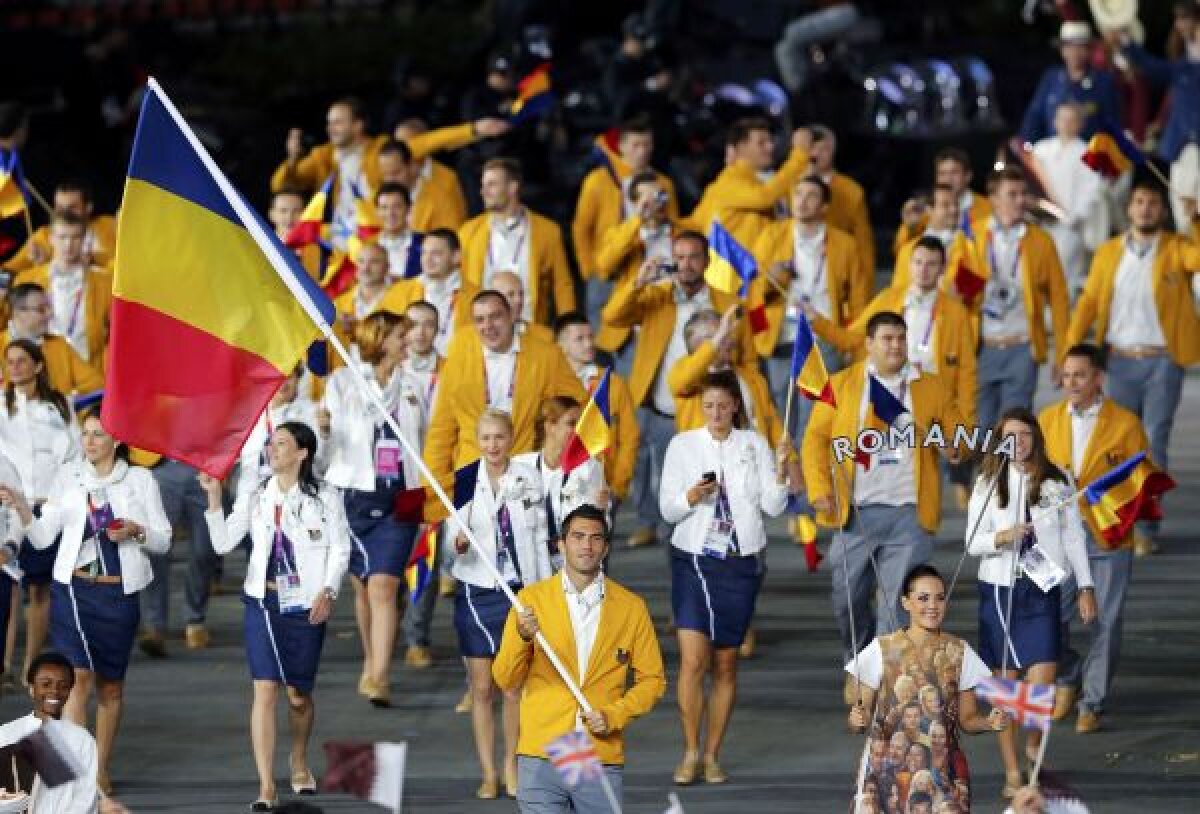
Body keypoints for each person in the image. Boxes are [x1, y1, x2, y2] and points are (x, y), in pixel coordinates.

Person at [2, 411, 169, 796]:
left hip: (118, 595)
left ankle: (101, 766)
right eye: (86, 434)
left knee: (111, 689)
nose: (89, 441)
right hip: (73, 591)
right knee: (76, 682)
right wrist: (22, 506)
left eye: (98, 434)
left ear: (116, 440)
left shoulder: (140, 480)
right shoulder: (70, 477)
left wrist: (136, 530)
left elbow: (161, 539)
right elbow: (43, 538)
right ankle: (80, 773)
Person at [200, 421, 351, 811]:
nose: (273, 449)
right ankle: (266, 785)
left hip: (305, 605)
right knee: (264, 690)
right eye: (271, 443)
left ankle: (298, 758)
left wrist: (329, 590)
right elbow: (223, 542)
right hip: (262, 603)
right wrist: (215, 501)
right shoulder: (255, 493)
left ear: (302, 453)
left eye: (282, 444)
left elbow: (340, 548)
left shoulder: (326, 497)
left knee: (298, 697)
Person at [801, 312, 965, 666]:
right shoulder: (842, 384)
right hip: (855, 512)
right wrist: (818, 489)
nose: (895, 346)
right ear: (869, 344)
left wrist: (955, 445)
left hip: (909, 513)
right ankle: (857, 658)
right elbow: (815, 439)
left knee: (895, 606)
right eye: (887, 339)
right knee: (847, 600)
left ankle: (873, 679)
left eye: (901, 338)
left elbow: (957, 432)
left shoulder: (930, 385)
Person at [659, 372, 791, 784]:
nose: (716, 413)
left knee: (726, 664)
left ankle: (713, 754)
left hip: (740, 562)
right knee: (693, 659)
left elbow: (772, 507)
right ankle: (689, 750)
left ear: (736, 405)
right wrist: (691, 497)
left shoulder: (754, 445)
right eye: (709, 406)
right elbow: (667, 509)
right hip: (694, 558)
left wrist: (783, 473)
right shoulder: (682, 445)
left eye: (723, 405)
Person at [494, 504, 666, 812]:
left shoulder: (631, 608)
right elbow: (505, 678)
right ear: (561, 544)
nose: (586, 545)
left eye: (595, 538)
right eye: (578, 537)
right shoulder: (531, 602)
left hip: (594, 751)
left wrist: (615, 714)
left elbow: (652, 680)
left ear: (606, 547)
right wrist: (522, 638)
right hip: (543, 747)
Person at [965, 407, 1095, 797]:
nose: (1017, 442)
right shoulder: (989, 482)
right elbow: (972, 543)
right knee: (1006, 689)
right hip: (1000, 590)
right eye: (1010, 435)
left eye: (1024, 434)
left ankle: (1034, 750)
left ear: (1035, 437)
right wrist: (1003, 537)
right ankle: (1012, 772)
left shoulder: (1058, 480)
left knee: (1041, 686)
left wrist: (1086, 587)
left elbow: (1074, 538)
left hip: (1042, 590)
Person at [1066, 179, 1198, 554]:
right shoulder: (1108, 253)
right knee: (1117, 447)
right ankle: (1118, 520)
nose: (1145, 208)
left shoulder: (1176, 247)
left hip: (1162, 361)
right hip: (1120, 360)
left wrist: (1196, 222)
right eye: (1138, 202)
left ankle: (1147, 530)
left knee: (1154, 443)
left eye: (1153, 203)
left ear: (1163, 210)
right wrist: (1071, 350)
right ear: (1128, 209)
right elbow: (1090, 301)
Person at [599, 231, 753, 548]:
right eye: (679, 257)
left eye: (693, 257)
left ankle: (689, 539)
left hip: (707, 411)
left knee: (697, 479)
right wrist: (638, 282)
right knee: (651, 469)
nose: (685, 265)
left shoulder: (728, 302)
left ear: (708, 261)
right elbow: (612, 316)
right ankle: (646, 522)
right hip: (660, 402)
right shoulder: (657, 295)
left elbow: (747, 357)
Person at [1038, 343, 1155, 734]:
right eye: (1067, 375)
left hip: (1107, 537)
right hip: (1059, 537)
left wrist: (1111, 504)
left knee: (1106, 620)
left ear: (1098, 379)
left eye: (1080, 375)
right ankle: (1068, 677)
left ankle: (1092, 702)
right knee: (1049, 616)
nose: (1071, 382)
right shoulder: (1047, 420)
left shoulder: (1125, 424)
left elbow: (1141, 480)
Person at [813, 237, 978, 508]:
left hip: (930, 396)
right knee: (882, 455)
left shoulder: (956, 312)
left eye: (931, 264)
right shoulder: (888, 299)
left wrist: (966, 424)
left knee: (924, 464)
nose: (924, 269)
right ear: (909, 265)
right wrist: (817, 322)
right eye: (918, 262)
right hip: (887, 388)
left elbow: (968, 370)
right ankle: (879, 509)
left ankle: (919, 520)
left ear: (941, 269)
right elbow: (852, 338)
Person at [319, 311, 424, 707]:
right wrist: (325, 431)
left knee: (385, 585)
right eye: (400, 335)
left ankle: (380, 676)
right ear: (380, 339)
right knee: (363, 587)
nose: (407, 341)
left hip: (400, 496)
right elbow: (331, 449)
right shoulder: (344, 381)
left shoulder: (414, 383)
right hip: (355, 496)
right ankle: (371, 657)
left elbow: (427, 433)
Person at [450, 409, 552, 800]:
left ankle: (512, 761)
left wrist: (543, 594)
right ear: (478, 441)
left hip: (519, 592)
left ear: (512, 439)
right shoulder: (463, 480)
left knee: (513, 686)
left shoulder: (529, 478)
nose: (493, 446)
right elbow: (449, 539)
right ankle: (488, 772)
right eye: (486, 438)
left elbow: (541, 539)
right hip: (477, 590)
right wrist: (456, 544)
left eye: (499, 438)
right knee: (481, 688)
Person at [847, 565, 1008, 812]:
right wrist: (857, 720)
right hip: (885, 772)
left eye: (939, 598)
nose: (932, 606)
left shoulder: (960, 652)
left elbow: (967, 719)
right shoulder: (881, 649)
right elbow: (861, 716)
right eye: (923, 598)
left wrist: (989, 723)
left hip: (943, 775)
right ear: (906, 603)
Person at [422, 290, 584, 523]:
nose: (488, 326)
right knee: (473, 555)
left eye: (495, 316)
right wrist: (432, 491)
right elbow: (442, 429)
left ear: (511, 317)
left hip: (526, 475)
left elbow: (578, 411)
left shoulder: (546, 355)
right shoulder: (458, 355)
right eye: (480, 319)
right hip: (472, 477)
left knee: (525, 552)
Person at [0, 340, 78, 681]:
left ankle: (30, 663)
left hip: (47, 508)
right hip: (7, 509)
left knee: (40, 590)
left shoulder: (59, 406)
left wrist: (60, 497)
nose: (14, 367)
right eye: (9, 361)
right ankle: (3, 664)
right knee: (9, 587)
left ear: (38, 366)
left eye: (21, 361)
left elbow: (73, 454)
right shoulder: (0, 406)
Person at [971, 166, 1070, 435]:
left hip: (1022, 349)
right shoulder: (972, 236)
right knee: (979, 429)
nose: (1020, 200)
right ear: (993, 198)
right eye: (1011, 194)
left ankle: (1010, 479)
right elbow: (958, 294)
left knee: (1015, 430)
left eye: (1023, 194)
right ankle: (985, 478)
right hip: (981, 347)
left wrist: (1062, 353)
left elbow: (1059, 300)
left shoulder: (1041, 240)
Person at [572, 116, 679, 330]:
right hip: (608, 272)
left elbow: (674, 226)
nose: (642, 150)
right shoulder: (598, 180)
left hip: (649, 270)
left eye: (647, 144)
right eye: (636, 145)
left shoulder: (663, 183)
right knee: (604, 339)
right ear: (621, 146)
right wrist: (590, 270)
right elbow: (582, 227)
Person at [755, 175, 864, 376]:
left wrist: (853, 345)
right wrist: (771, 280)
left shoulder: (845, 244)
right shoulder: (771, 235)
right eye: (798, 194)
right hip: (781, 340)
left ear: (824, 207)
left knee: (818, 408)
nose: (802, 201)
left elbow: (858, 301)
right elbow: (752, 291)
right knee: (781, 408)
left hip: (824, 340)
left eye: (811, 196)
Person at [459, 158, 575, 326]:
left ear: (513, 187)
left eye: (491, 185)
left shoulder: (547, 231)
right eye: (483, 185)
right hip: (483, 332)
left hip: (529, 330)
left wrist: (569, 327)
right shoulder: (467, 232)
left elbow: (562, 286)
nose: (483, 192)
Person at [591, 170, 679, 365]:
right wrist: (639, 220)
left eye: (660, 194)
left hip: (674, 323)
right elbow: (605, 265)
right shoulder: (622, 234)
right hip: (634, 330)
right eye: (648, 197)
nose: (658, 202)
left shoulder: (683, 231)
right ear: (635, 203)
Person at [685, 118, 812, 249]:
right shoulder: (729, 181)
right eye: (761, 143)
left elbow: (697, 223)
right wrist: (800, 155)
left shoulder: (767, 181)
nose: (770, 146)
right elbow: (763, 197)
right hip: (740, 268)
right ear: (739, 147)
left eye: (770, 141)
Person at [553, 312, 638, 505]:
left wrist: (618, 485)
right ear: (561, 345)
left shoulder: (614, 384)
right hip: (559, 484)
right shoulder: (551, 384)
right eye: (579, 339)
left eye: (590, 337)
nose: (589, 344)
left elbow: (629, 438)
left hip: (603, 485)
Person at [513, 396, 609, 566]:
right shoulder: (520, 466)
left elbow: (601, 524)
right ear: (550, 426)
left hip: (573, 564)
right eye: (572, 423)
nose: (578, 431)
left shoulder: (589, 468)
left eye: (580, 424)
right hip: (531, 563)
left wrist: (601, 511)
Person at [0, 652, 99, 812]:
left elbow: (87, 796)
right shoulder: (6, 735)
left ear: (69, 691)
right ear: (32, 688)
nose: (54, 691)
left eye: (63, 686)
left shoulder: (82, 740)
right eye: (46, 684)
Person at [1031, 102, 1109, 300]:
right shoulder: (1041, 150)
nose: (1065, 124)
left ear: (1080, 124)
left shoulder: (1087, 153)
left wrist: (1074, 217)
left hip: (1069, 227)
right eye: (1061, 119)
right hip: (1040, 223)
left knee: (1065, 274)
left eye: (1071, 120)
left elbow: (1093, 190)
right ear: (1055, 122)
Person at [12, 215, 112, 370]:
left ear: (85, 239)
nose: (68, 244)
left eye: (75, 237)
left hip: (91, 377)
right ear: (51, 238)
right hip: (42, 376)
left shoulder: (104, 282)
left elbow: (117, 335)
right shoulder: (26, 279)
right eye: (62, 237)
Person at [1018, 21, 1122, 145]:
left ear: (1089, 50)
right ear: (1062, 50)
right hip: (1052, 153)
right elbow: (1034, 116)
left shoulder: (1103, 82)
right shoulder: (1052, 78)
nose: (1075, 52)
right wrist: (1026, 145)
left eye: (1080, 47)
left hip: (1089, 154)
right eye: (1069, 46)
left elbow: (1112, 124)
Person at [2, 283, 104, 396]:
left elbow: (96, 386)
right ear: (17, 313)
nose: (49, 314)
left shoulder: (59, 345)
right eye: (41, 309)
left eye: (49, 307)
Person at [387, 228, 476, 356]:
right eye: (424, 253)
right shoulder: (400, 291)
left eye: (436, 253)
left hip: (458, 370)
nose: (427, 259)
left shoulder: (475, 296)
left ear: (456, 256)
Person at [3, 180, 116, 274]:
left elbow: (126, 266)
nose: (65, 213)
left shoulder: (110, 225)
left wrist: (94, 260)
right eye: (60, 208)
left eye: (72, 207)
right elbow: (8, 270)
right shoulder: (44, 235)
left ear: (88, 208)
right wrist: (42, 266)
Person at [808, 125, 876, 277]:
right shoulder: (788, 186)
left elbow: (864, 245)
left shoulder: (852, 191)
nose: (816, 154)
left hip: (836, 271)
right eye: (812, 148)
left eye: (823, 149)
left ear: (833, 151)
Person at [894, 148, 991, 255]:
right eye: (942, 173)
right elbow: (901, 254)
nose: (947, 179)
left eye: (954, 172)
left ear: (968, 176)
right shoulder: (925, 209)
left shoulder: (988, 208)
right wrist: (910, 228)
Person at [374, 182, 422, 282]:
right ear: (377, 211)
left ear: (409, 208)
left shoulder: (425, 244)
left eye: (397, 207)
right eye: (384, 207)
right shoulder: (366, 246)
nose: (390, 213)